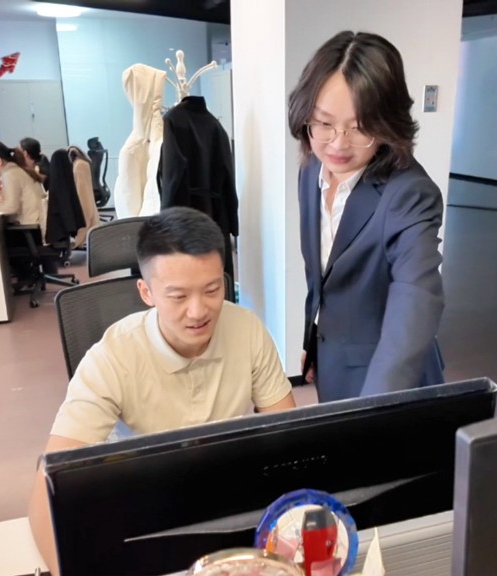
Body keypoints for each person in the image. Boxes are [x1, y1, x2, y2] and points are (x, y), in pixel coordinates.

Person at [28, 207, 296, 573]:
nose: (198, 311)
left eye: (212, 290)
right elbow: (50, 484)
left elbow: (288, 438)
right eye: (178, 296)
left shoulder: (247, 329)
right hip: (142, 505)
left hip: (226, 497)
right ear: (146, 292)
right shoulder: (113, 357)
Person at [288, 31, 445, 403]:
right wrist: (314, 343)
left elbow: (417, 298)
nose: (338, 143)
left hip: (388, 381)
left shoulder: (408, 193)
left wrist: (373, 411)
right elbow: (322, 281)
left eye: (359, 127)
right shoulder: (311, 169)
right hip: (333, 362)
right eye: (324, 123)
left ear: (388, 124)